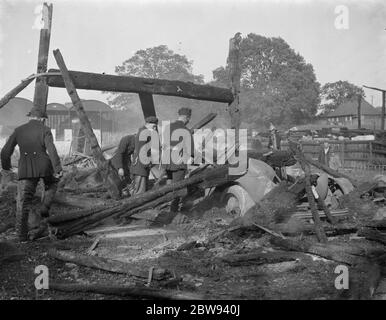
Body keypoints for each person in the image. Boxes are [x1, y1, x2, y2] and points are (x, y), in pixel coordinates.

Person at [0, 105, 63, 241]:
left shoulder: (19, 130)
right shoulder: (45, 130)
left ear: (30, 117)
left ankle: (21, 236)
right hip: (44, 167)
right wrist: (58, 169)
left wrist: (6, 166)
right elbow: (51, 150)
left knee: (23, 203)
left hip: (26, 169)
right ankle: (44, 208)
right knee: (52, 183)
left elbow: (5, 152)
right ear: (41, 119)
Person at [163, 107, 194, 213]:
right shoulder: (186, 130)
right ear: (187, 117)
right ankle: (173, 211)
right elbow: (191, 150)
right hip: (178, 163)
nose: (188, 121)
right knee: (178, 187)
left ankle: (165, 205)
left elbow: (163, 144)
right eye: (189, 119)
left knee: (169, 183)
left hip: (167, 161)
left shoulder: (168, 127)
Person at [131, 116, 159, 195]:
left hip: (142, 166)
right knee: (139, 192)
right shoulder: (143, 133)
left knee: (141, 190)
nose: (154, 129)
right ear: (148, 124)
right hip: (140, 167)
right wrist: (147, 164)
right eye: (153, 126)